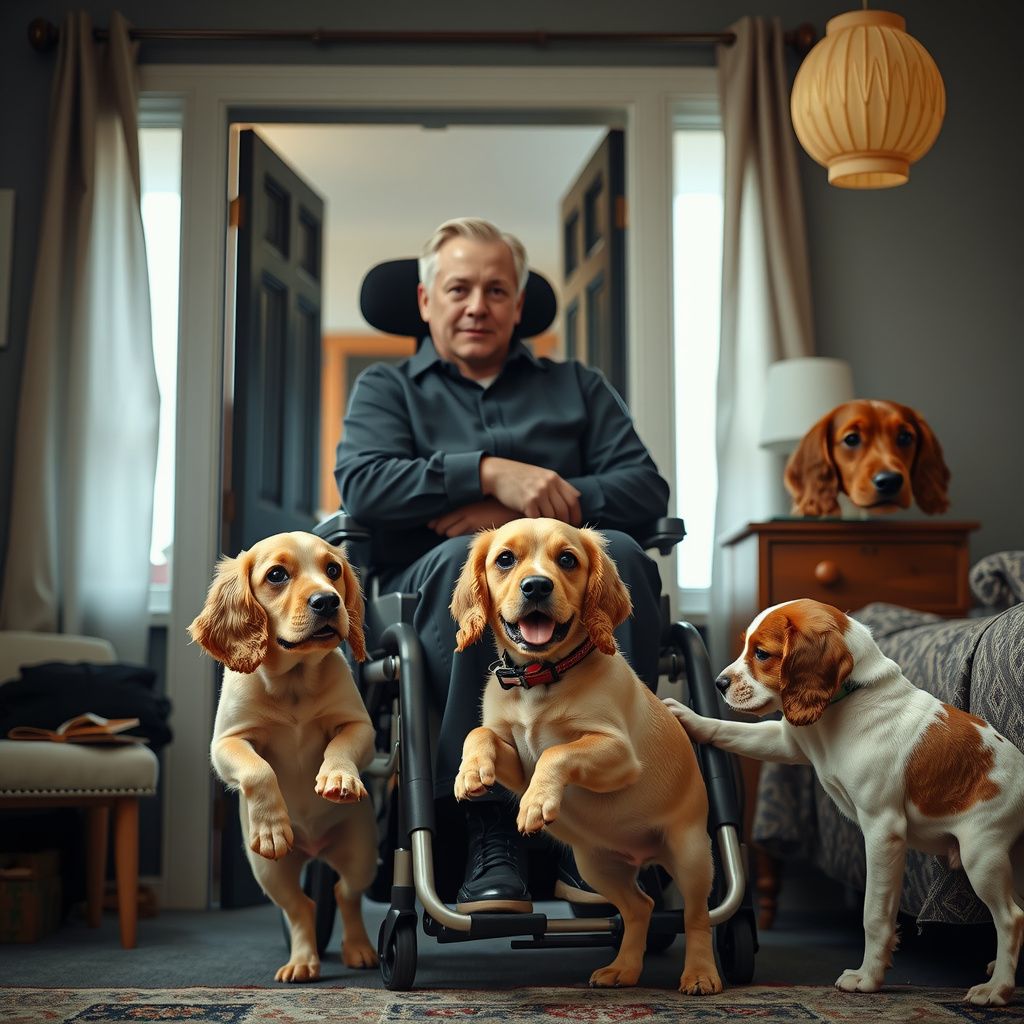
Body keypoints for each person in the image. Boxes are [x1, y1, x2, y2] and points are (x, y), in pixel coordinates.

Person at [335, 217, 670, 914]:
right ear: (427, 300)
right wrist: (488, 472)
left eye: (496, 290)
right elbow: (364, 484)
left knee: (627, 553)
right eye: (458, 288)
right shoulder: (386, 390)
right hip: (433, 591)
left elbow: (644, 489)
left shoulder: (578, 386)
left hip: (572, 606)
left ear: (519, 305)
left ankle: (604, 835)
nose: (477, 305)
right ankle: (490, 828)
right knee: (467, 560)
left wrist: (534, 504)